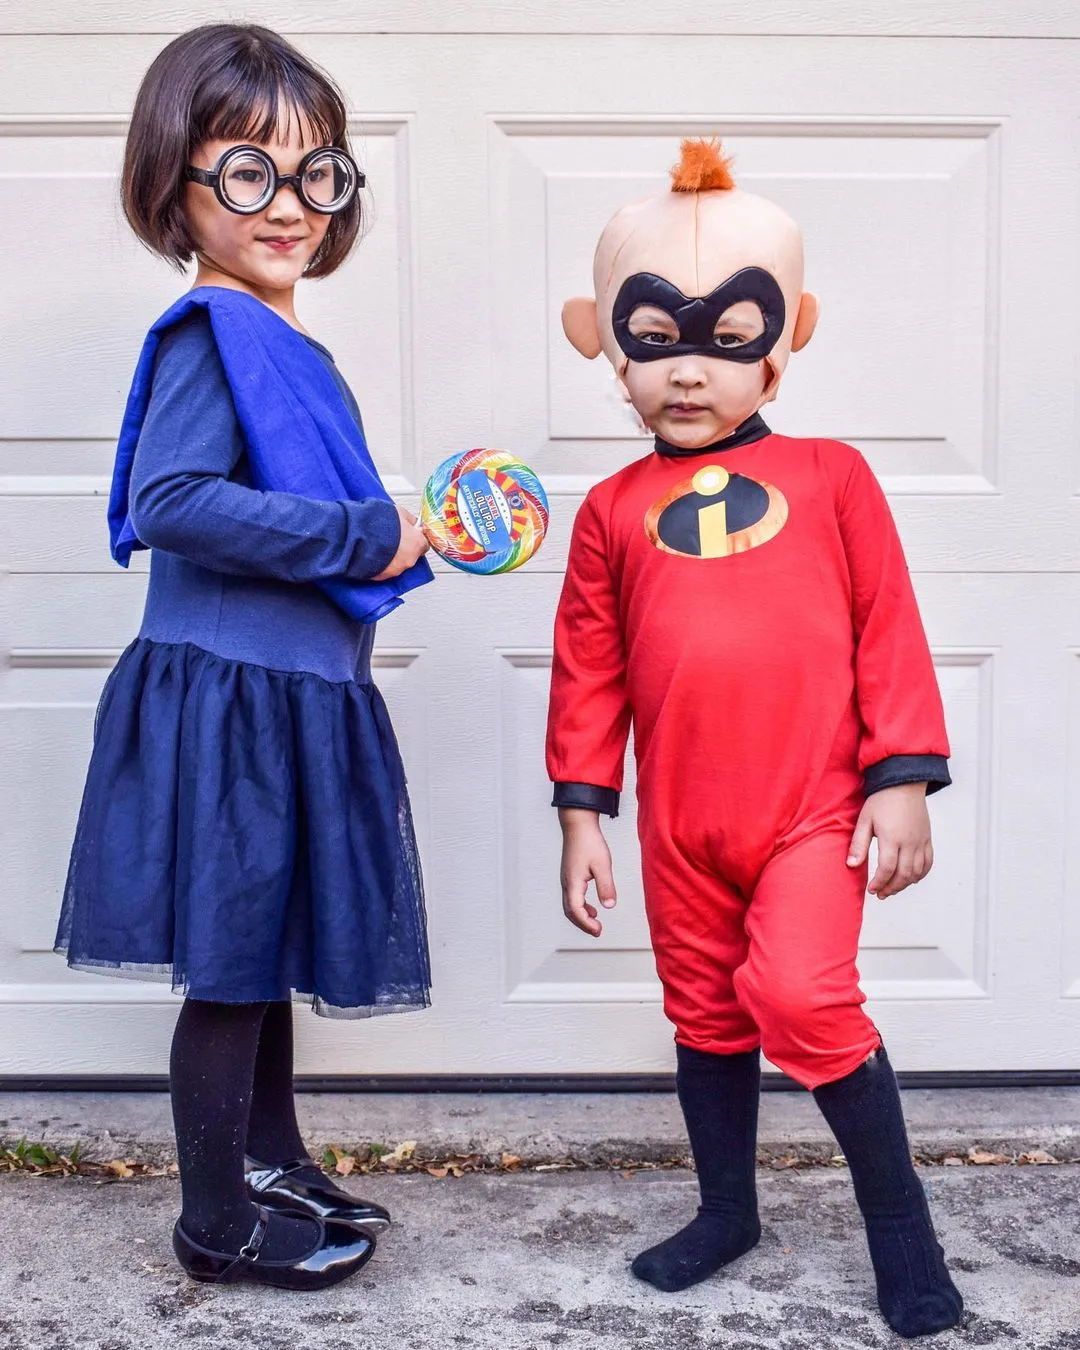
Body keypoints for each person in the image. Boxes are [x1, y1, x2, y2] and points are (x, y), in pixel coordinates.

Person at [546, 138, 964, 1338]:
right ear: (609, 349)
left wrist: (903, 780)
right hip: (683, 822)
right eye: (656, 343)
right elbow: (590, 671)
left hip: (813, 808)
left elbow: (889, 626)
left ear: (783, 343)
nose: (689, 374)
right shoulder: (610, 513)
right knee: (707, 1011)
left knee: (800, 992)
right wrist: (585, 816)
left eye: (724, 342)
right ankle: (728, 1210)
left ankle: (903, 1234)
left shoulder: (835, 479)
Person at [54, 23, 433, 1290]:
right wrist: (365, 530)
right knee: (229, 966)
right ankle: (216, 1220)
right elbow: (170, 500)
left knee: (260, 947)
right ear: (177, 185)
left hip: (291, 692)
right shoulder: (207, 333)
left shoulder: (274, 335)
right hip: (232, 703)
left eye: (319, 173)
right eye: (251, 173)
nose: (292, 205)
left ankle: (270, 1159)